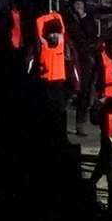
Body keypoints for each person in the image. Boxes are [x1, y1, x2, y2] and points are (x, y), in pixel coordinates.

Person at [65, 0, 99, 136]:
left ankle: (80, 124)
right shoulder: (68, 18)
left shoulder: (88, 18)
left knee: (84, 92)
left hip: (84, 60)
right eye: (76, 3)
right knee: (68, 91)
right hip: (70, 58)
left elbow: (91, 34)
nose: (78, 6)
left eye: (81, 3)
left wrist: (83, 17)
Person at [34, 9, 70, 144]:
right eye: (51, 33)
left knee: (61, 113)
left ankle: (61, 137)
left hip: (59, 83)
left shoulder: (61, 43)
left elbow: (61, 22)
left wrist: (54, 14)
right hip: (46, 83)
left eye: (56, 32)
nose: (54, 35)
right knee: (48, 113)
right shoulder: (43, 44)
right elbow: (39, 22)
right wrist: (47, 16)